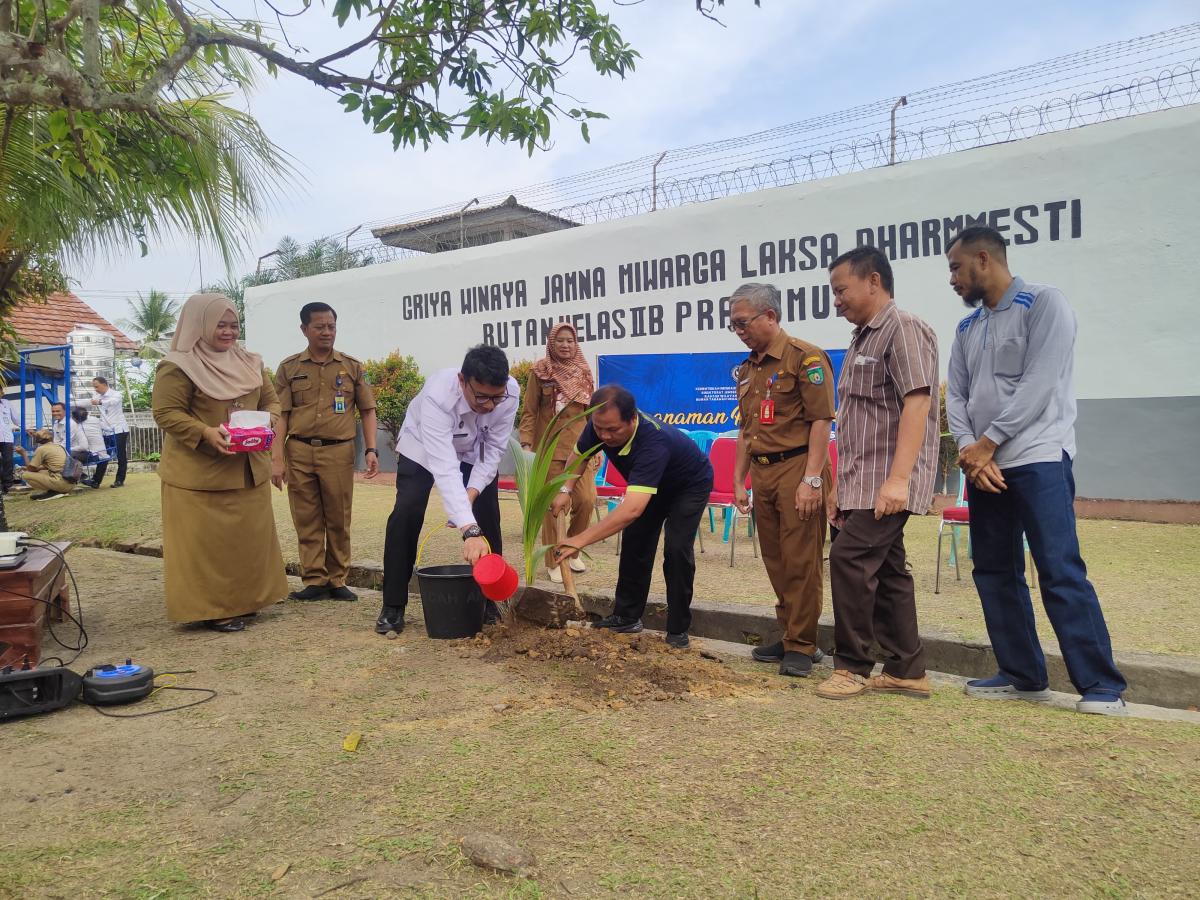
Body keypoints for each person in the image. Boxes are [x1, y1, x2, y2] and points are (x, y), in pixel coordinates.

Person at [945, 226, 1127, 716]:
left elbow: (1040, 383)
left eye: (957, 268)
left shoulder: (1044, 304)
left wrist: (987, 443)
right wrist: (969, 449)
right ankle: (1023, 675)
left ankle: (1102, 686)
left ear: (984, 259)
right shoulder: (967, 328)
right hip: (984, 467)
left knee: (1059, 568)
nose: (952, 279)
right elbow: (956, 395)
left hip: (1039, 457)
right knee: (994, 571)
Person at [815, 247, 940, 701]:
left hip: (888, 481)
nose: (837, 301)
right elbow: (860, 421)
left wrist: (899, 479)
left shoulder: (902, 328)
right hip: (862, 482)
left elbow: (918, 402)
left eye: (841, 290)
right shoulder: (861, 339)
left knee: (849, 559)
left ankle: (852, 666)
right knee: (887, 570)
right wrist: (840, 490)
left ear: (873, 281)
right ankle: (907, 669)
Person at [152, 293, 289, 633]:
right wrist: (205, 432)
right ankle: (215, 609)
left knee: (249, 543)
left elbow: (272, 402)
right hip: (200, 475)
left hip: (248, 469)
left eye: (234, 325)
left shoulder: (249, 362)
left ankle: (248, 601)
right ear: (199, 325)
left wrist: (265, 422)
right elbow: (166, 412)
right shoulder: (178, 366)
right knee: (209, 547)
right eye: (220, 325)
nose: (229, 332)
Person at [551, 385, 714, 648]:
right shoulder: (599, 425)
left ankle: (678, 629)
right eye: (599, 428)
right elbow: (580, 455)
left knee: (676, 550)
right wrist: (565, 490)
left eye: (613, 430)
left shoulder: (653, 441)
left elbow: (632, 510)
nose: (605, 436)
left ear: (633, 418)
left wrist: (579, 540)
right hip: (647, 487)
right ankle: (626, 617)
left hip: (687, 486)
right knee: (636, 542)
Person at [729, 283, 835, 677]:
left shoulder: (805, 357)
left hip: (798, 468)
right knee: (775, 558)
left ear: (770, 316)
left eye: (743, 323)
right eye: (733, 325)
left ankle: (802, 645)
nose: (739, 331)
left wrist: (812, 480)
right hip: (763, 471)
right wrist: (738, 481)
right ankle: (791, 633)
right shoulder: (746, 370)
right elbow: (746, 430)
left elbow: (821, 420)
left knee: (801, 559)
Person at [376, 345, 518, 635]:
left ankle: (489, 599)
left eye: (496, 397)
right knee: (407, 510)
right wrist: (469, 529)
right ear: (462, 381)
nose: (490, 406)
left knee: (488, 514)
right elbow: (444, 467)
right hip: (423, 448)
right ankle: (393, 605)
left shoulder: (510, 393)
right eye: (482, 397)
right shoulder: (438, 395)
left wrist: (472, 493)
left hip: (475, 450)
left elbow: (494, 450)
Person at [273, 302, 379, 602]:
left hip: (338, 451)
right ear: (304, 329)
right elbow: (280, 415)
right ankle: (314, 579)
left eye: (331, 326)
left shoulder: (352, 367)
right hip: (299, 450)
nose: (327, 332)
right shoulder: (289, 368)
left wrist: (371, 449)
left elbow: (368, 410)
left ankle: (337, 579)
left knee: (338, 517)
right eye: (319, 327)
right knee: (306, 517)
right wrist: (277, 459)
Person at [518, 321, 597, 584]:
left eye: (570, 340)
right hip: (550, 450)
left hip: (580, 449)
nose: (565, 345)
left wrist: (597, 446)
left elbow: (592, 414)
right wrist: (526, 445)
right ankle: (553, 560)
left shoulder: (583, 372)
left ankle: (572, 548)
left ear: (576, 344)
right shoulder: (540, 372)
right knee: (553, 508)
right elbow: (529, 412)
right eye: (560, 340)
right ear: (551, 343)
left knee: (586, 500)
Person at [86, 375, 129, 487]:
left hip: (119, 429)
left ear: (104, 384)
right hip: (105, 430)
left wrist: (99, 402)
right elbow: (90, 403)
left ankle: (119, 480)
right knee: (103, 455)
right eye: (94, 387)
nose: (95, 389)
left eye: (97, 386)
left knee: (120, 456)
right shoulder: (96, 395)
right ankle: (96, 481)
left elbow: (112, 402)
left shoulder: (116, 394)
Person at [13, 428, 73, 501]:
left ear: (37, 440)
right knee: (41, 471)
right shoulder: (59, 446)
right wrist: (37, 468)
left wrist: (23, 453)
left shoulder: (41, 449)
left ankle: (56, 491)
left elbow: (30, 469)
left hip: (61, 484)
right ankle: (55, 490)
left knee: (26, 474)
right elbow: (53, 466)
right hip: (70, 483)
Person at [69, 407, 111, 488]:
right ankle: (96, 482)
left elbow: (83, 446)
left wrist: (70, 448)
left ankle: (79, 475)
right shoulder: (95, 420)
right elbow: (107, 428)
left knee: (68, 456)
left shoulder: (78, 426)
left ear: (75, 418)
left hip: (90, 454)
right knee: (104, 458)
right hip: (102, 452)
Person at [0, 390, 16, 493]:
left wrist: (27, 428)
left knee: (8, 461)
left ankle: (8, 486)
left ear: (2, 392)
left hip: (7, 438)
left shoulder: (7, 403)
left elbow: (16, 419)